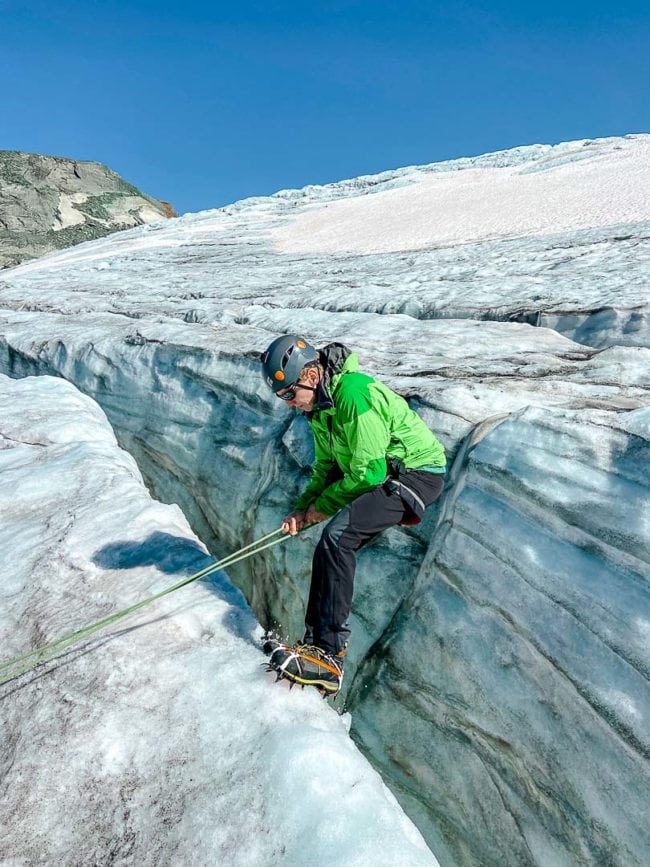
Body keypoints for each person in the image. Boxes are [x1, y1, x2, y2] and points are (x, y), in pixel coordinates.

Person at [260, 335, 446, 694]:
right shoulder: (319, 410)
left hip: (416, 474)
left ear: (311, 377)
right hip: (389, 475)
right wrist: (304, 507)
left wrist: (319, 511)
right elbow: (326, 468)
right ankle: (314, 647)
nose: (288, 404)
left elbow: (369, 473)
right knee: (331, 544)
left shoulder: (354, 393)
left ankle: (329, 658)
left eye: (288, 394)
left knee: (338, 538)